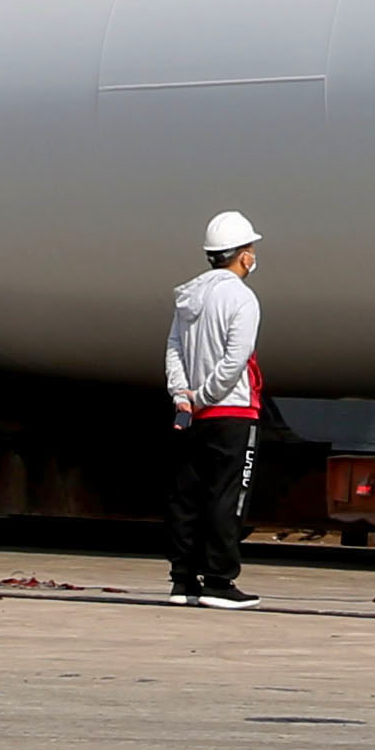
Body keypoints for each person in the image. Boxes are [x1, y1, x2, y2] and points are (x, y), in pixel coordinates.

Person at [163, 209, 266, 609]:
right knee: (228, 496)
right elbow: (235, 360)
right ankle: (220, 582)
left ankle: (183, 580)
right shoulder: (242, 298)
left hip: (190, 414)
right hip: (232, 412)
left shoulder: (190, 294)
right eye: (252, 249)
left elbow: (173, 348)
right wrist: (206, 395)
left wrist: (182, 395)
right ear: (242, 256)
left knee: (186, 495)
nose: (254, 257)